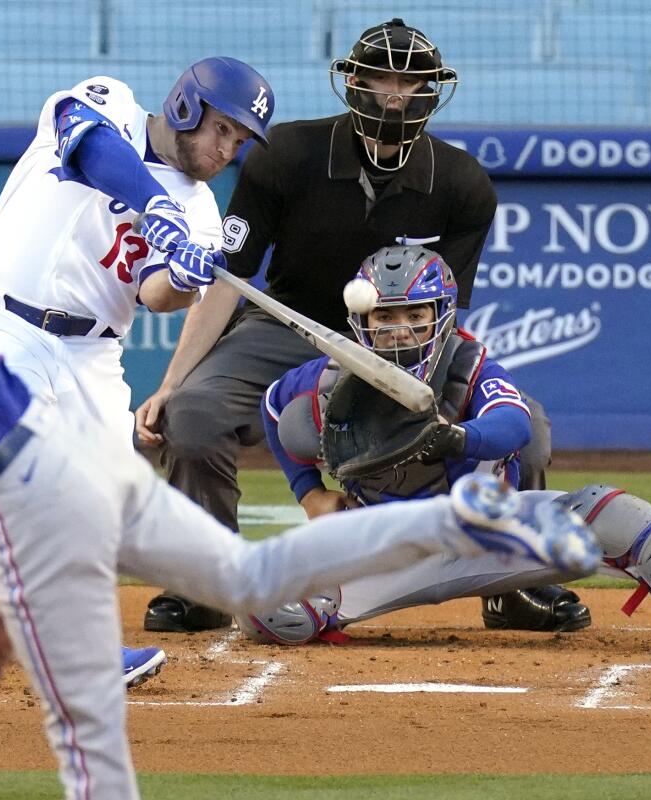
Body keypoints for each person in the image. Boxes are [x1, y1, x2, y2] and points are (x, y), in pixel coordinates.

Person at [0, 134, 602, 800]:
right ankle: (462, 523)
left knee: (84, 726)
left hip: (35, 491)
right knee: (245, 576)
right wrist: (12, 587)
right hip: (63, 470)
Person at [135, 18, 570, 633]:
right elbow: (223, 281)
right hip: (287, 325)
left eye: (410, 84)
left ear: (431, 94)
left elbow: (445, 311)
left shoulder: (464, 185)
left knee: (527, 426)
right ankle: (205, 584)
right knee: (193, 414)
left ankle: (513, 584)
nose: (395, 96)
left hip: (404, 343)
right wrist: (173, 382)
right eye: (381, 80)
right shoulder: (286, 154)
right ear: (353, 83)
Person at [244, 245, 651, 657]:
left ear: (441, 317)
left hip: (493, 533)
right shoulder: (329, 377)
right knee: (268, 611)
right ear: (363, 322)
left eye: (415, 317)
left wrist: (458, 437)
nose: (400, 333)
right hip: (381, 546)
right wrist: (310, 494)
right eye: (386, 318)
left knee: (613, 513)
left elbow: (513, 424)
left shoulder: (466, 364)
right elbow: (273, 408)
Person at [0, 56, 274, 449]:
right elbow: (89, 143)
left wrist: (181, 278)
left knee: (115, 499)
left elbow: (156, 296)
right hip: (3, 325)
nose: (226, 150)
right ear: (186, 106)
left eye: (238, 141)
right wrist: (156, 203)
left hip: (92, 354)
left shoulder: (201, 211)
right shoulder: (114, 103)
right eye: (221, 129)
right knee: (22, 473)